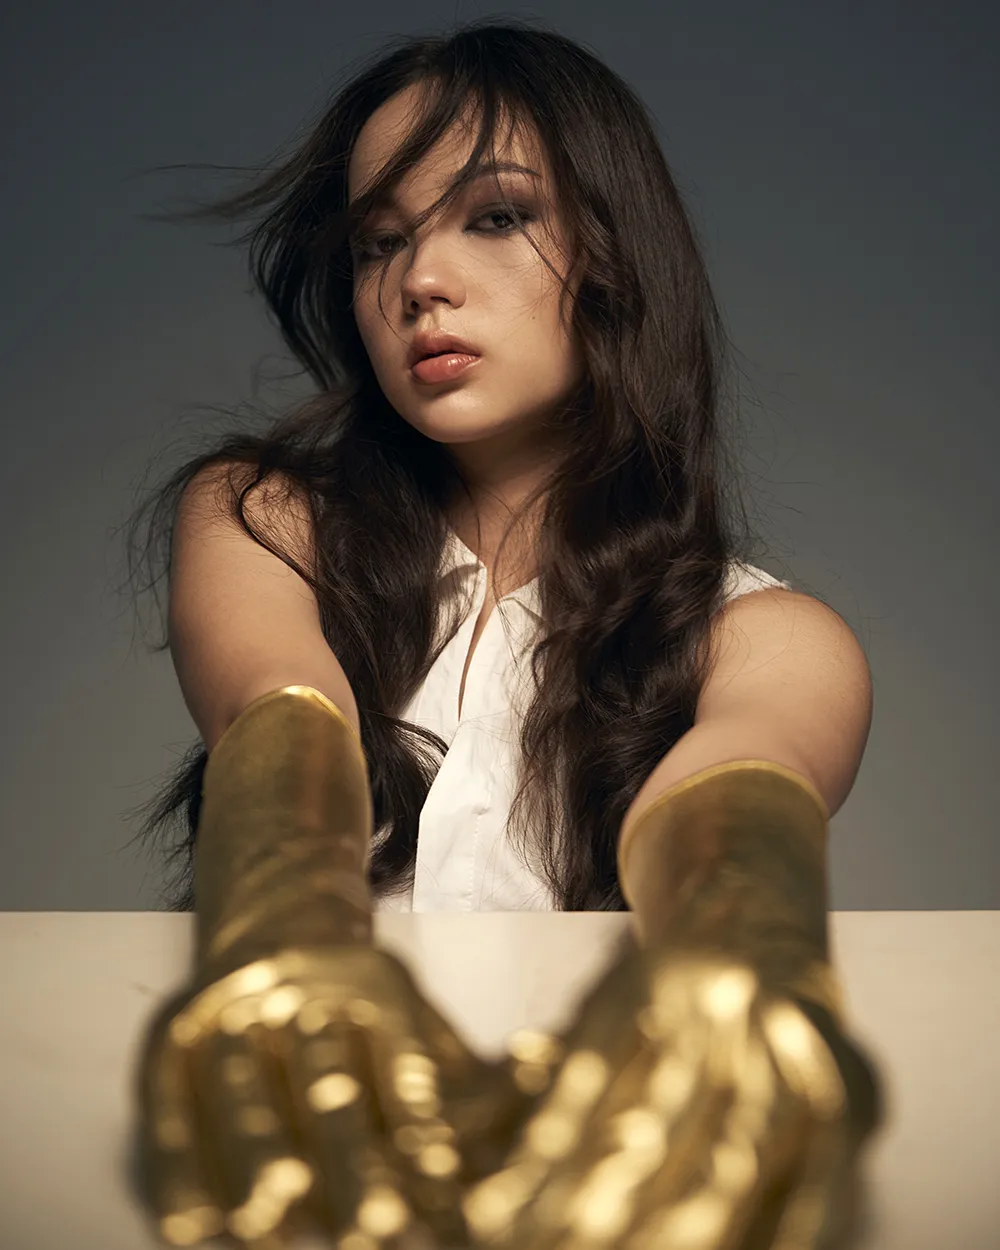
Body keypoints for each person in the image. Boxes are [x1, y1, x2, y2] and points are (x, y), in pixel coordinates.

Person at [125, 18, 882, 1249]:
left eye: (493, 215)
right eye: (380, 239)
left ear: (614, 256)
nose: (418, 279)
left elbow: (730, 815)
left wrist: (730, 985)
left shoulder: (768, 635)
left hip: (622, 1176)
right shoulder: (260, 517)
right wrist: (289, 957)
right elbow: (279, 708)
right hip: (299, 1168)